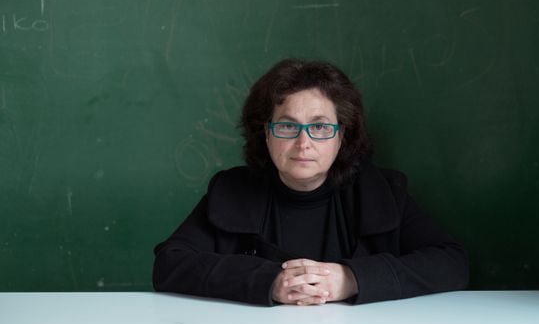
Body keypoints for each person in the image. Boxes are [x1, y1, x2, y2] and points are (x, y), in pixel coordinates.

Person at [153, 59, 469, 306]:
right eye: (288, 127)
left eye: (320, 127)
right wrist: (268, 281)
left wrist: (352, 279)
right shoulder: (231, 190)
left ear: (341, 136)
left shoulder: (381, 190)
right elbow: (169, 264)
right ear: (266, 134)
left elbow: (452, 262)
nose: (304, 143)